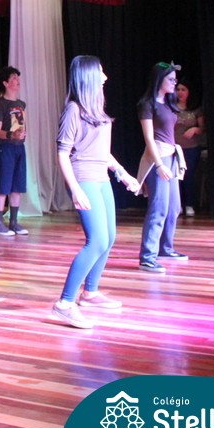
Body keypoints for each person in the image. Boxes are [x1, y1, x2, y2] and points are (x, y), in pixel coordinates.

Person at [52, 56, 140, 328]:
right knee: (97, 240)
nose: (105, 77)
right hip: (85, 177)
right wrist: (75, 189)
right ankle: (64, 303)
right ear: (89, 76)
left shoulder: (96, 108)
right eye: (100, 72)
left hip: (102, 176)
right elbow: (63, 154)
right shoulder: (73, 110)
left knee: (109, 237)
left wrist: (123, 173)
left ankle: (90, 293)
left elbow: (102, 151)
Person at [136, 62, 189, 274]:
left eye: (175, 79)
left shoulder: (168, 102)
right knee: (158, 208)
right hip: (157, 157)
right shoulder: (147, 104)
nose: (174, 83)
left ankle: (165, 248)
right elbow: (149, 138)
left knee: (174, 207)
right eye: (171, 79)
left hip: (171, 156)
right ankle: (147, 257)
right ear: (160, 79)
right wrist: (158, 164)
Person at [0, 66, 29, 236]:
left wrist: (20, 134)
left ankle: (13, 222)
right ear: (5, 83)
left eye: (17, 78)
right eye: (13, 78)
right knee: (3, 186)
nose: (17, 81)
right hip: (5, 148)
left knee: (17, 187)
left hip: (19, 148)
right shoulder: (0, 105)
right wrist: (11, 134)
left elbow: (21, 125)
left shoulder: (21, 104)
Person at [175, 79, 206, 217]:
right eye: (178, 89)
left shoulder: (196, 109)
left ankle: (189, 204)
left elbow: (202, 128)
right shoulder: (171, 107)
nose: (180, 92)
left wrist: (194, 129)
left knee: (188, 176)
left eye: (183, 89)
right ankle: (178, 204)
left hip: (191, 147)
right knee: (175, 177)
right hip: (174, 148)